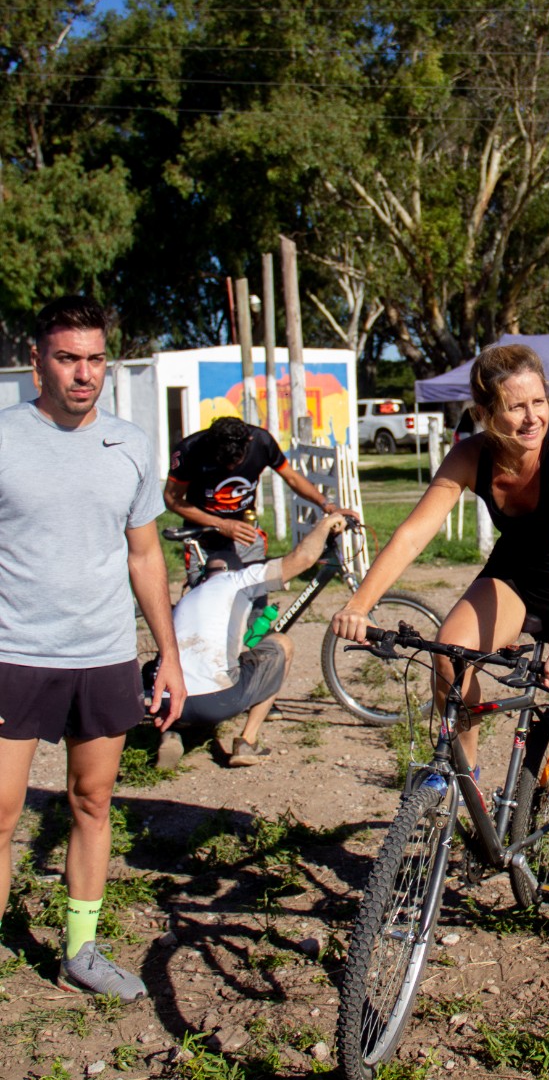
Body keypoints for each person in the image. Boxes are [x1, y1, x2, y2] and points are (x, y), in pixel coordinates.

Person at [332, 342, 549, 970]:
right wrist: (360, 605)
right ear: (484, 412)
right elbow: (415, 531)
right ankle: (462, 791)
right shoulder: (471, 455)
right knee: (450, 657)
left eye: (538, 403)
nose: (530, 418)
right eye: (513, 408)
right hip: (513, 577)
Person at [0, 296, 186, 999]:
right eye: (68, 358)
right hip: (13, 651)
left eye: (95, 359)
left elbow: (144, 557)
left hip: (102, 654)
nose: (84, 374)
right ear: (36, 363)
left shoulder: (131, 443)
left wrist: (167, 654)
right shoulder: (5, 437)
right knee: (3, 811)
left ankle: (80, 949)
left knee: (92, 800)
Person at [164, 511, 347, 766]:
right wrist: (326, 523)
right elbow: (303, 558)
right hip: (217, 700)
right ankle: (247, 741)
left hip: (169, 700)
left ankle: (171, 733)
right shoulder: (239, 580)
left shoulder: (188, 596)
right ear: (235, 568)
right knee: (283, 643)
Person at [164, 416, 350, 572]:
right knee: (207, 601)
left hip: (246, 531)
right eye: (223, 462)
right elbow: (171, 499)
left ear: (249, 443)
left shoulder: (261, 441)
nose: (230, 467)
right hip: (203, 535)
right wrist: (220, 524)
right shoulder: (189, 450)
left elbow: (292, 478)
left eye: (237, 461)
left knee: (254, 600)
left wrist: (326, 504)